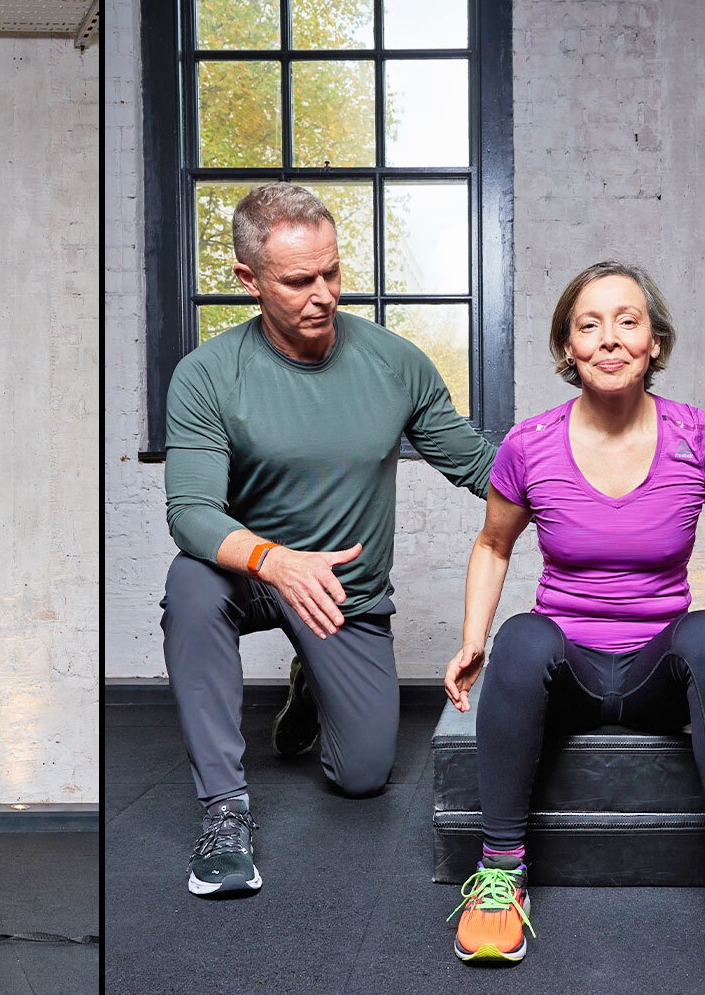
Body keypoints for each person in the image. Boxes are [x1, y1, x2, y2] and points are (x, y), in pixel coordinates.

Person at [443, 261, 705, 969]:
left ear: (653, 342)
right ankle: (500, 876)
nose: (609, 339)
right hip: (569, 678)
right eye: (590, 325)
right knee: (521, 636)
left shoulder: (701, 437)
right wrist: (471, 639)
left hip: (656, 681)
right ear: (568, 348)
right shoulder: (530, 445)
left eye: (628, 321)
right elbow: (494, 544)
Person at [161, 182, 496, 896]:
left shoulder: (394, 363)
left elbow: (477, 465)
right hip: (253, 576)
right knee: (190, 583)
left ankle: (311, 679)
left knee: (363, 777)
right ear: (248, 280)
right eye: (298, 280)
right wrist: (275, 562)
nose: (324, 294)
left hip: (342, 591)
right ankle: (224, 810)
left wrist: (593, 479)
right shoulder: (209, 376)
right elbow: (190, 512)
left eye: (333, 272)